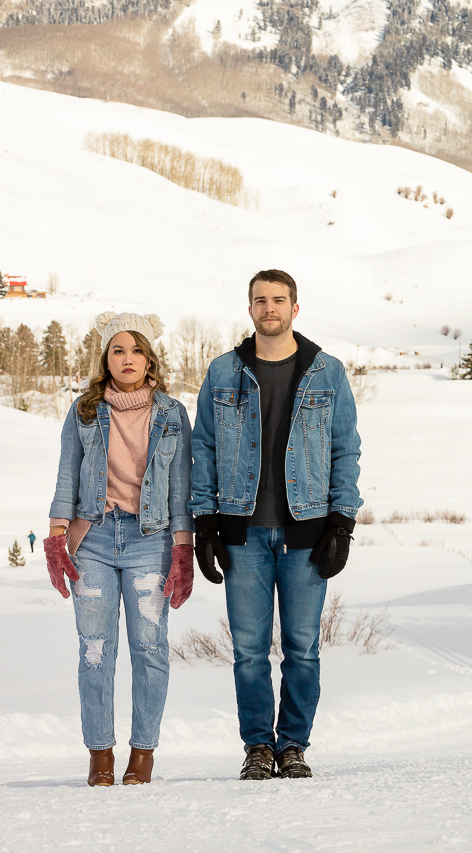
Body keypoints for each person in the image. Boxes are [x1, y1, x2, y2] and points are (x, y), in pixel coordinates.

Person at [191, 269, 361, 781]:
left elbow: (345, 449)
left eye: (279, 300)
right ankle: (257, 748)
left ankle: (293, 747)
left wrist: (342, 522)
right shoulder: (223, 371)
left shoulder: (326, 372)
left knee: (302, 649)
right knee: (248, 651)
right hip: (243, 533)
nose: (270, 308)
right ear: (250, 310)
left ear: (295, 308)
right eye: (261, 300)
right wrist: (205, 523)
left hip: (306, 532)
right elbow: (203, 447)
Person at [45, 311, 194, 787]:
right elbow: (68, 472)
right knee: (95, 648)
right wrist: (55, 535)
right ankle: (100, 755)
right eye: (117, 350)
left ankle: (143, 753)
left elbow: (180, 485)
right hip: (92, 540)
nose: (127, 359)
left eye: (136, 350)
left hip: (150, 540)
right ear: (105, 358)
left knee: (149, 647)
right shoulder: (85, 411)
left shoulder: (172, 413)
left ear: (150, 359)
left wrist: (182, 548)